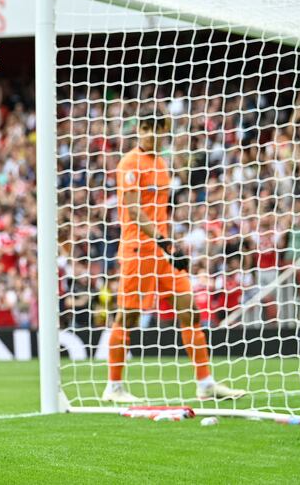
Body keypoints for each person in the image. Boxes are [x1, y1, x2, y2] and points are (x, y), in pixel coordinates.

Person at [103, 116, 246, 403]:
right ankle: (114, 387)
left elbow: (160, 214)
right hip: (137, 250)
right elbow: (133, 212)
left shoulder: (161, 165)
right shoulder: (129, 163)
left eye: (158, 130)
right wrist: (166, 243)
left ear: (165, 133)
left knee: (190, 311)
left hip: (162, 251)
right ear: (139, 131)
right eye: (146, 129)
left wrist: (169, 244)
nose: (151, 135)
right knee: (128, 317)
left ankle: (205, 384)